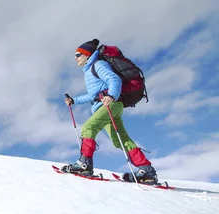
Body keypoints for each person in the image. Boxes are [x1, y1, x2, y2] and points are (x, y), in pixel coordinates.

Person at [61, 38, 158, 184]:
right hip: (109, 106)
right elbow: (92, 95)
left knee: (88, 127)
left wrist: (112, 96)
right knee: (120, 140)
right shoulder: (89, 71)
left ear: (87, 55)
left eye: (78, 55)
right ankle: (147, 171)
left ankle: (84, 164)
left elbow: (114, 79)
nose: (75, 58)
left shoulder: (98, 64)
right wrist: (74, 100)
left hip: (109, 105)